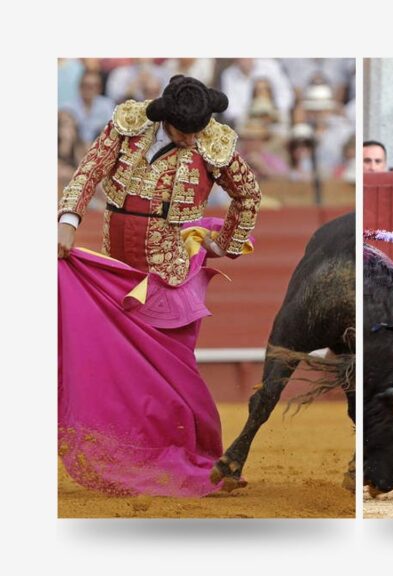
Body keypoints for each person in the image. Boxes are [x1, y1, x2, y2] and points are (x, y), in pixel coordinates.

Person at [57, 75, 262, 496]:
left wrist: (225, 245)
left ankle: (201, 456)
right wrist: (68, 221)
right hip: (116, 270)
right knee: (119, 370)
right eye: (184, 132)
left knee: (177, 375)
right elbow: (90, 170)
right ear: (165, 119)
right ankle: (130, 453)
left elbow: (249, 195)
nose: (192, 139)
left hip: (171, 270)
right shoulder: (129, 123)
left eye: (198, 131)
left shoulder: (213, 142)